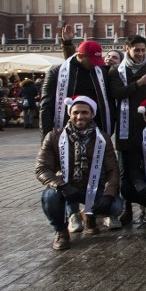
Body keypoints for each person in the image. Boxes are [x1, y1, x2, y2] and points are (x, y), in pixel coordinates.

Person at [37, 96, 122, 250]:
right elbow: (42, 169)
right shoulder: (54, 136)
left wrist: (109, 194)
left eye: (85, 112)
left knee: (115, 207)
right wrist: (61, 185)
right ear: (70, 114)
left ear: (92, 114)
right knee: (49, 197)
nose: (80, 116)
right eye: (75, 112)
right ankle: (61, 231)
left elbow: (113, 170)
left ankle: (89, 215)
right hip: (66, 187)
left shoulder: (102, 137)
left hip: (94, 186)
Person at [108, 35, 146, 224]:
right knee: (126, 170)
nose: (140, 54)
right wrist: (139, 84)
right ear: (127, 48)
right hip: (126, 128)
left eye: (143, 50)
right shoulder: (116, 70)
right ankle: (126, 207)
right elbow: (117, 93)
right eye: (137, 50)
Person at [41, 40, 114, 137]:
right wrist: (46, 136)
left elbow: (109, 101)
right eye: (91, 60)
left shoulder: (101, 72)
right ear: (80, 56)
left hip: (96, 129)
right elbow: (46, 107)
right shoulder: (56, 73)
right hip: (68, 128)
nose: (94, 64)